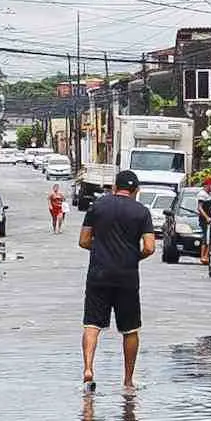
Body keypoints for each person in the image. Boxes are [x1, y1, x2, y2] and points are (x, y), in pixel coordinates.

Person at [76, 168, 156, 392]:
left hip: (98, 273)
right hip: (127, 275)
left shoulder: (97, 206)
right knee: (130, 329)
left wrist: (101, 248)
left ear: (114, 188)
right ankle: (128, 380)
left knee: (92, 324)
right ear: (136, 190)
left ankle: (88, 369)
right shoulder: (141, 212)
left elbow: (83, 241)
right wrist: (133, 255)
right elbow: (150, 247)